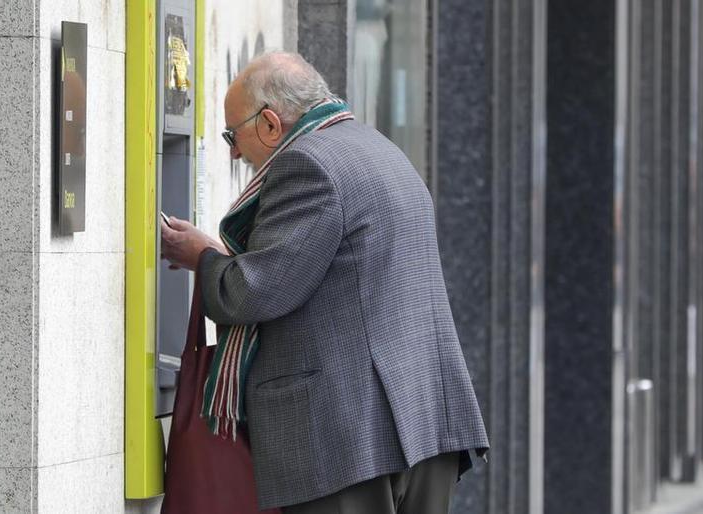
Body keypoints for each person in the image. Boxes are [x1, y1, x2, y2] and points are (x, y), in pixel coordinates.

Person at [160, 51, 489, 513]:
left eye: (233, 135)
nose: (233, 152)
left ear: (271, 124)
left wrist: (204, 256)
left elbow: (254, 292)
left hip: (350, 437)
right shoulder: (376, 149)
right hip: (421, 422)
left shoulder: (306, 166)